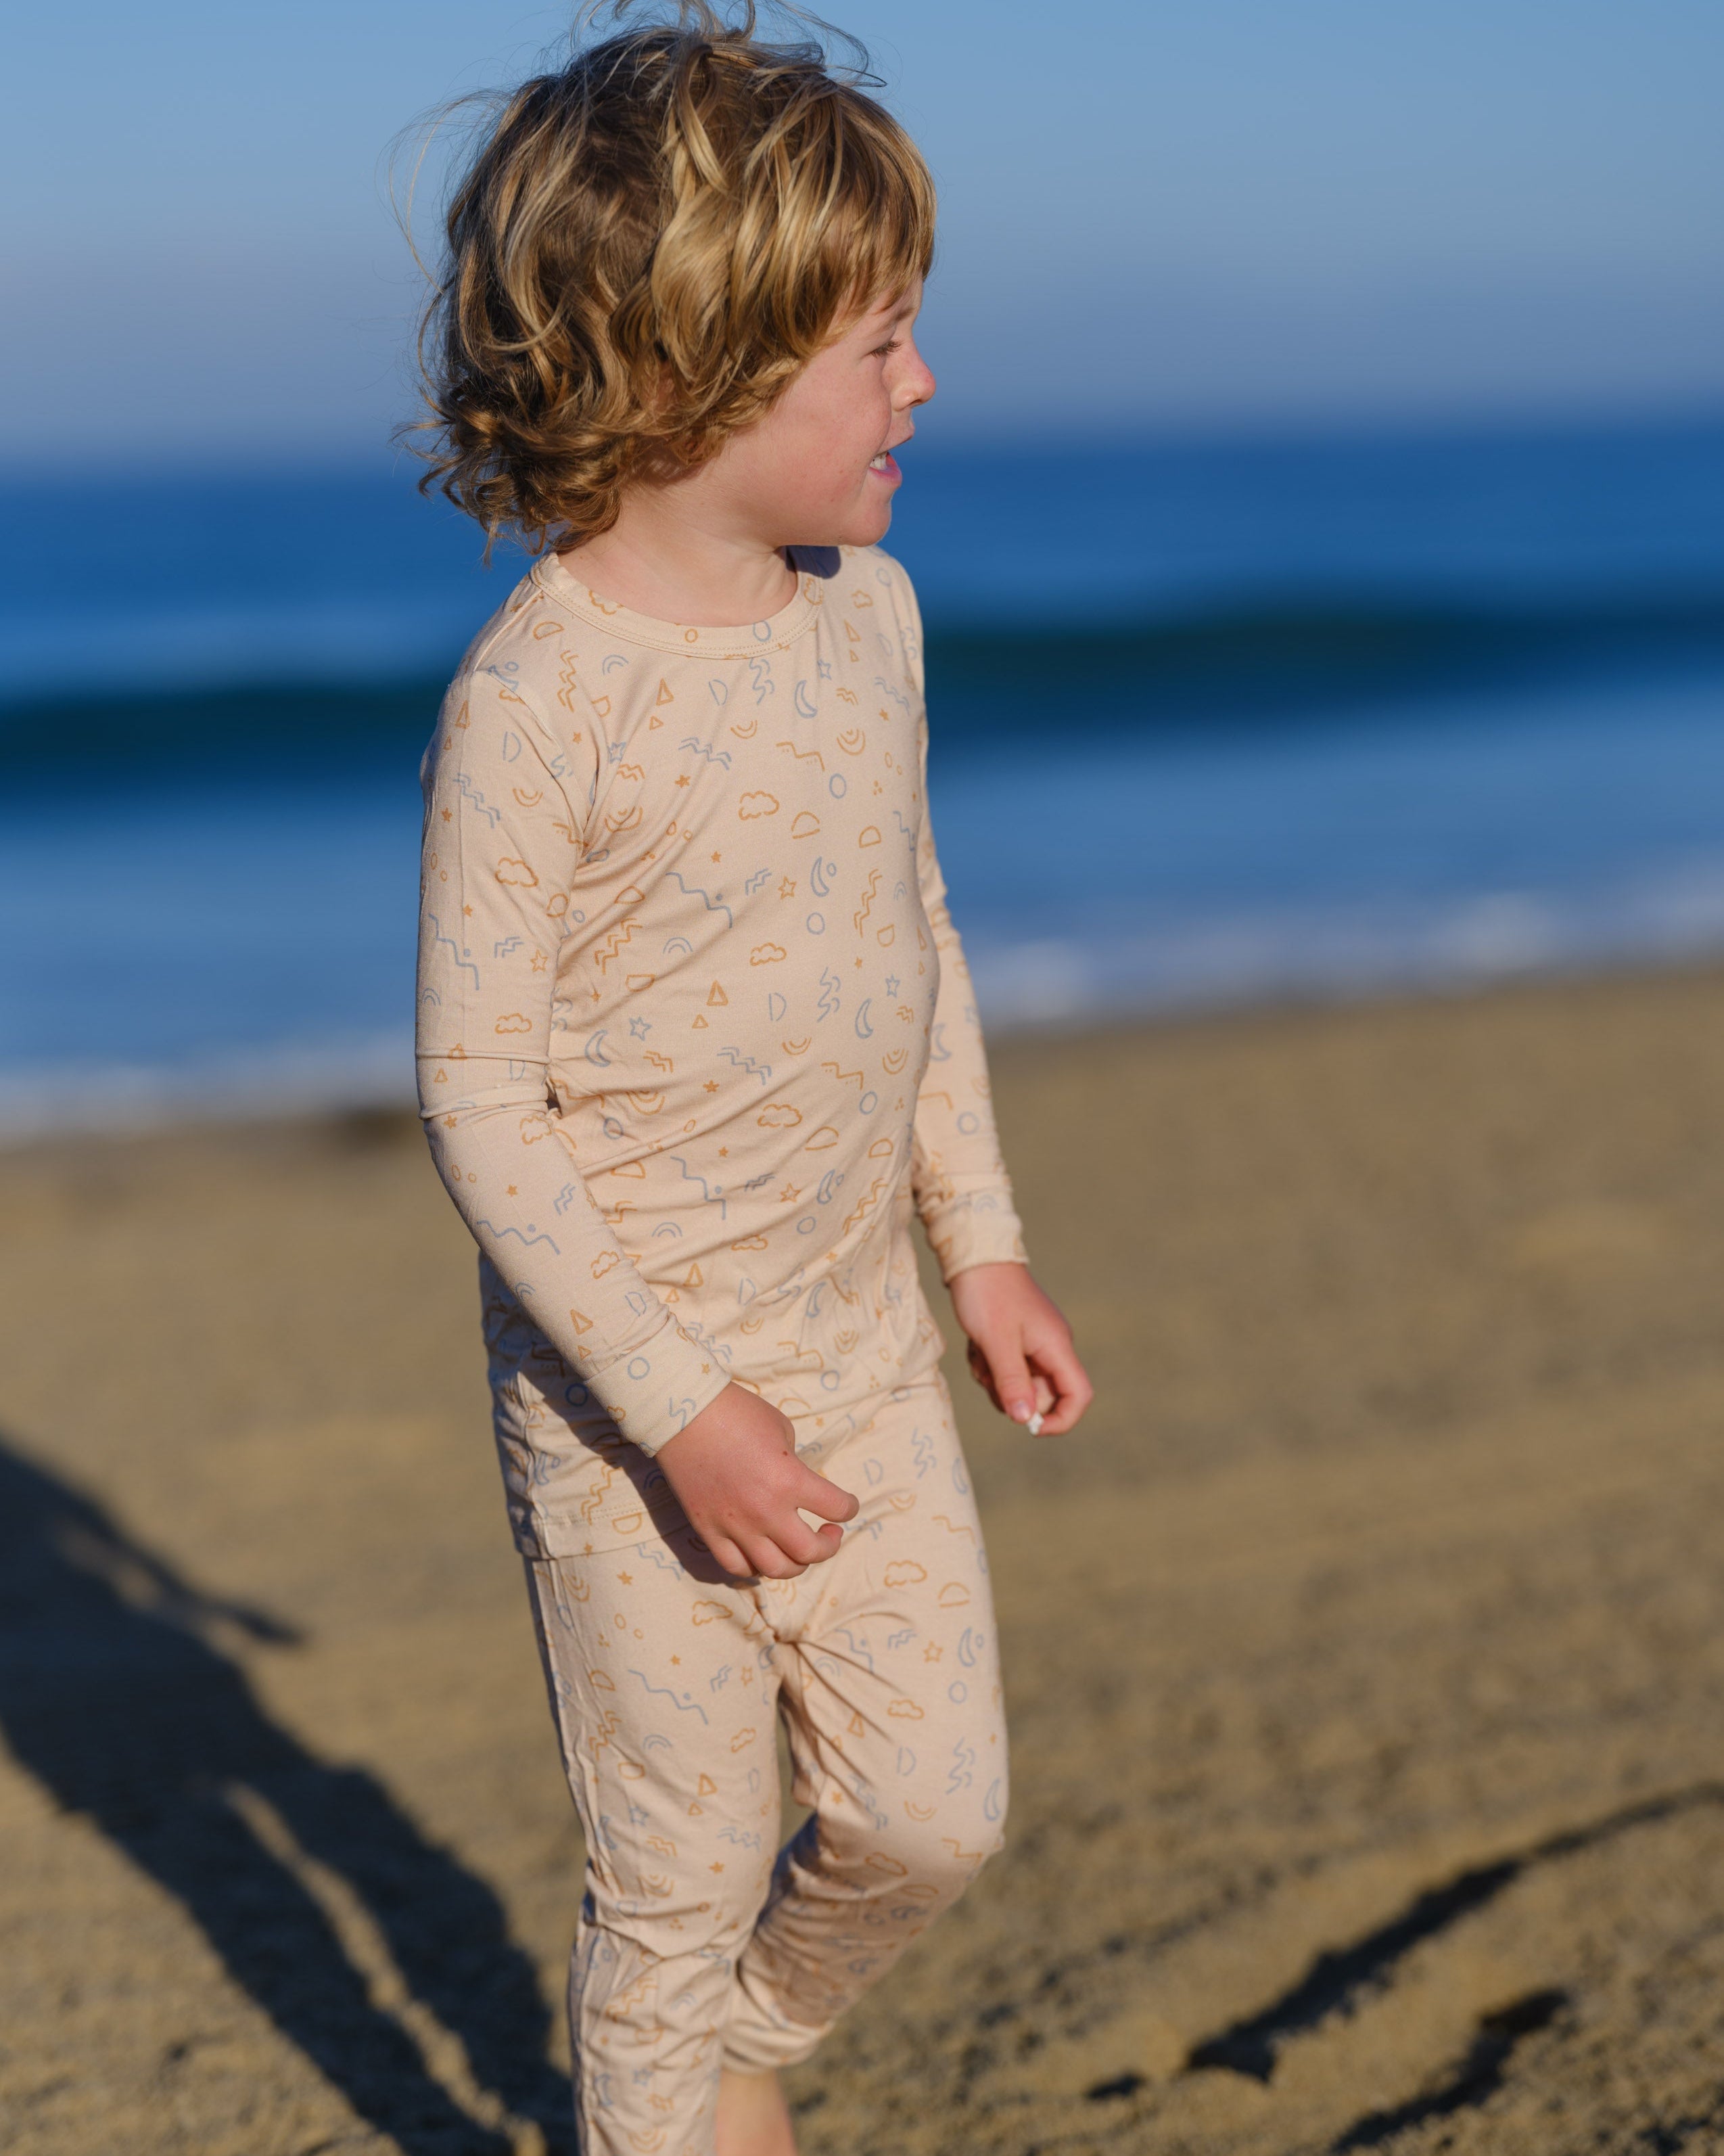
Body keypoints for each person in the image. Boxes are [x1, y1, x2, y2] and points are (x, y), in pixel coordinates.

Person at [411, 7, 1092, 2151]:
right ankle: (672, 2086)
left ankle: (728, 2054)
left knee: (934, 1807)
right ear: (688, 373)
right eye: (877, 346)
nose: (926, 384)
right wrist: (684, 1411)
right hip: (632, 1405)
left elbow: (913, 936)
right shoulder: (542, 706)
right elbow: (477, 1102)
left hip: (857, 1336)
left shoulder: (870, 620)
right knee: (673, 1878)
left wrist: (981, 1243)